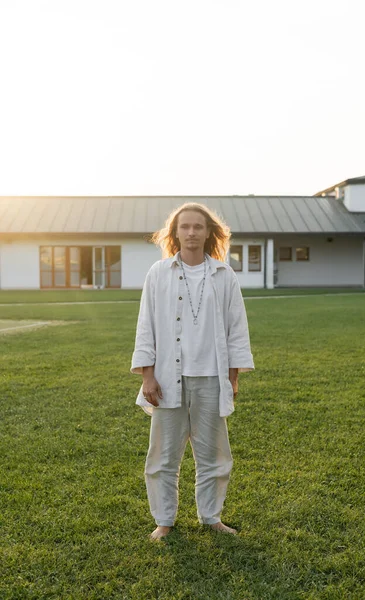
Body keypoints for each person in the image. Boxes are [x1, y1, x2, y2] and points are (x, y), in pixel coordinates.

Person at [131, 202, 254, 540]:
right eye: (184, 227)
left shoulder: (224, 275)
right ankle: (164, 521)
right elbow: (146, 326)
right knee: (162, 456)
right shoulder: (158, 273)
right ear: (174, 233)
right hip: (168, 380)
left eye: (198, 227)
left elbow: (236, 328)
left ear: (209, 232)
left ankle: (211, 517)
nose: (191, 233)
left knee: (215, 455)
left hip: (211, 379)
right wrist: (147, 375)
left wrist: (233, 377)